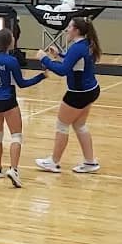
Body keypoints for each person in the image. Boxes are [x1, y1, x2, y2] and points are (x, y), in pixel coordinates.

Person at [0, 28, 46, 186]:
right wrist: (41, 76)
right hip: (8, 101)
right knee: (16, 136)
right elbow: (22, 83)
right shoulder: (11, 61)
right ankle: (14, 170)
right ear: (9, 42)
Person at [36, 17, 102, 174]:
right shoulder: (85, 44)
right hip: (91, 90)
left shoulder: (77, 48)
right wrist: (59, 55)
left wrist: (44, 58)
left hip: (78, 94)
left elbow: (63, 70)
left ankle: (53, 162)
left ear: (76, 30)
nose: (66, 29)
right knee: (79, 125)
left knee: (62, 125)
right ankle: (90, 162)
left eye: (69, 27)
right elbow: (72, 63)